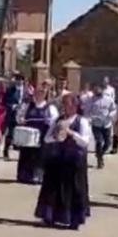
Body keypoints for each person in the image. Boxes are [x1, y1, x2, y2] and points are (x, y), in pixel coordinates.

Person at [35, 93, 91, 229]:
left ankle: (74, 220)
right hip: (57, 159)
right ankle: (50, 217)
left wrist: (72, 134)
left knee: (75, 190)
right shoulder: (57, 120)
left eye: (68, 104)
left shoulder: (81, 121)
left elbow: (85, 142)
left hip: (75, 160)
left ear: (75, 106)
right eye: (64, 104)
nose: (65, 107)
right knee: (52, 189)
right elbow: (46, 138)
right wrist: (56, 135)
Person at [15, 83, 58, 184]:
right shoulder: (28, 106)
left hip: (42, 136)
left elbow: (54, 121)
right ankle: (24, 175)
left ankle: (38, 176)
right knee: (26, 155)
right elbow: (19, 117)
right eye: (38, 92)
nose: (39, 95)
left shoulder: (49, 107)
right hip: (28, 136)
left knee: (40, 156)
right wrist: (21, 120)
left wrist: (49, 124)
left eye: (42, 93)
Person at [85, 82, 116, 169]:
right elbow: (87, 112)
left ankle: (100, 154)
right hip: (96, 124)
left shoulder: (109, 99)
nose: (97, 91)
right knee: (99, 141)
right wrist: (91, 118)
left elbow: (113, 109)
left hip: (107, 124)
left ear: (102, 90)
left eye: (98, 89)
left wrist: (110, 115)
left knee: (108, 142)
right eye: (95, 89)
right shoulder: (90, 100)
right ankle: (100, 161)